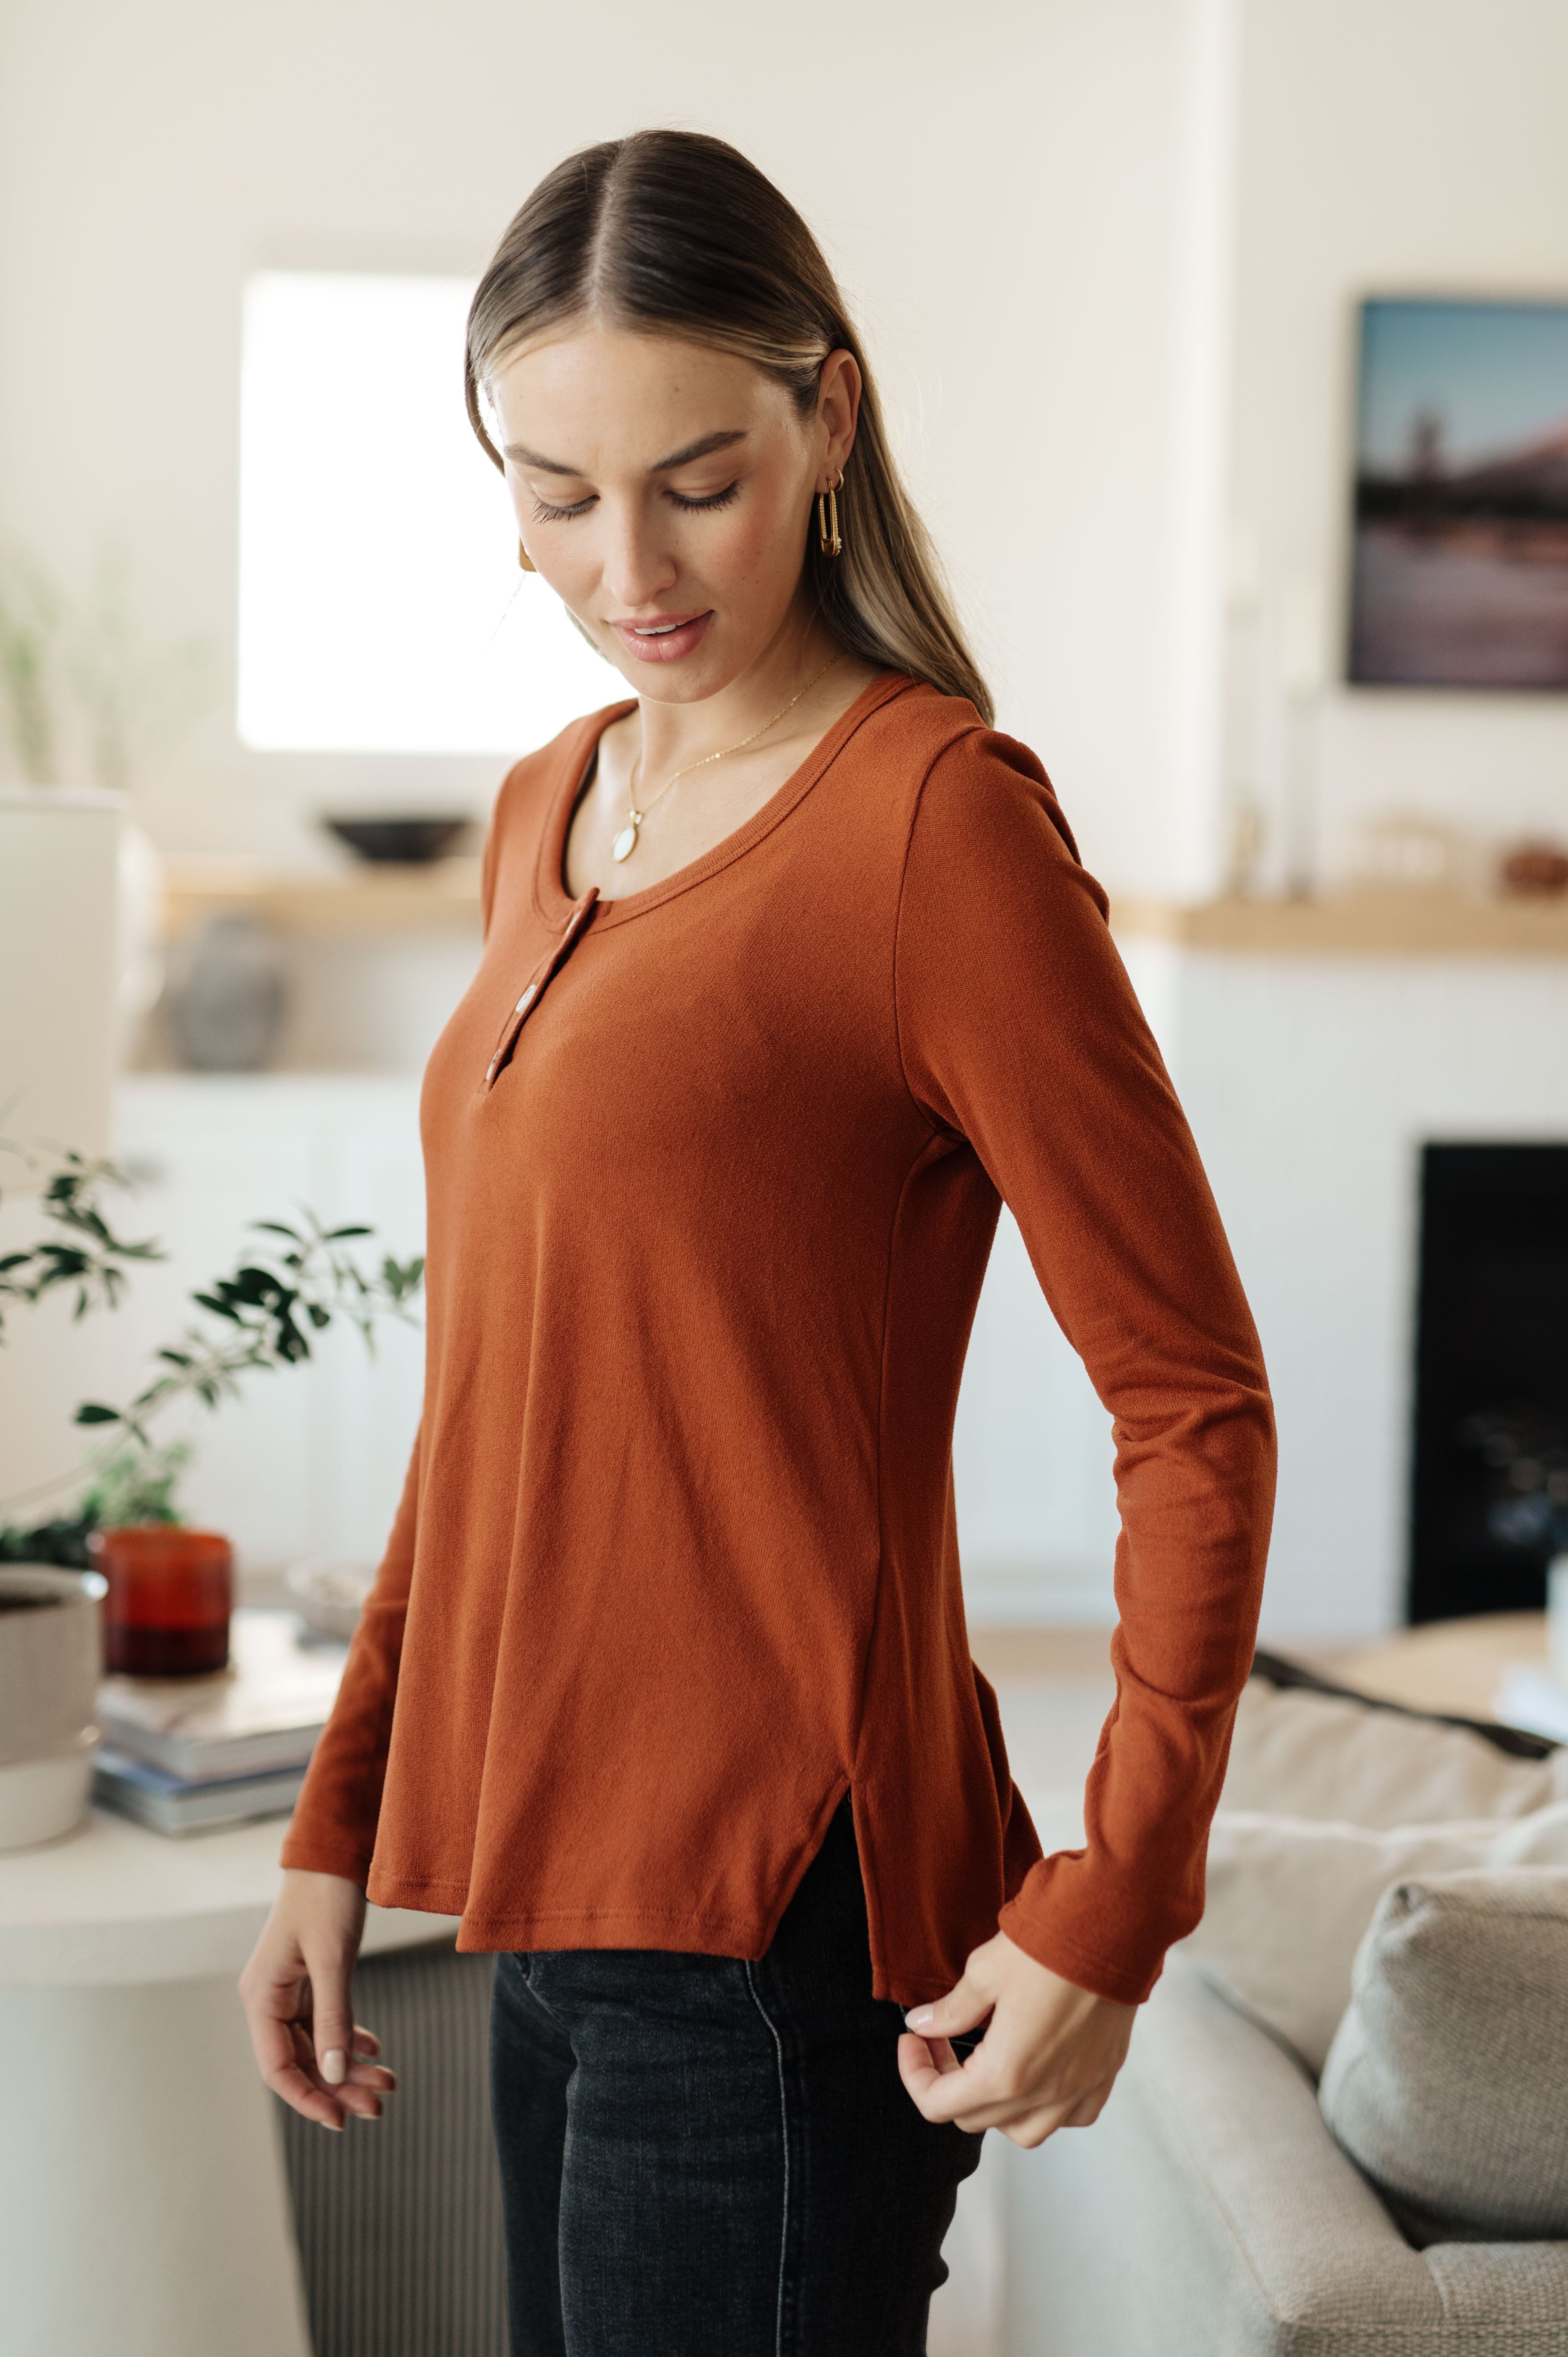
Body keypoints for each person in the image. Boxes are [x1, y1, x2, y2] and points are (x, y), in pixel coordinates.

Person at [239, 129, 1275, 2357]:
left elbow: (1192, 1401)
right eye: (556, 493)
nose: (631, 565)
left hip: (774, 1943)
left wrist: (1119, 1895)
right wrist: (337, 1818)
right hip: (544, 1897)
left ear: (834, 415)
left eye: (698, 477)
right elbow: (496, 1392)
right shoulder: (546, 807)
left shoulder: (939, 829)